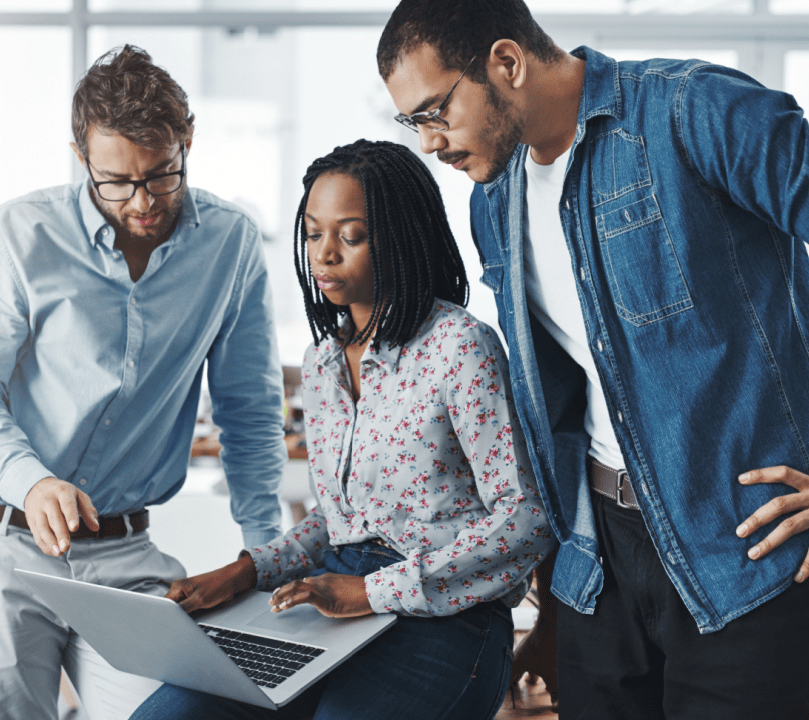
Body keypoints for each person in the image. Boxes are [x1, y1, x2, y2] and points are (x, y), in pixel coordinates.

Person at [376, 2, 809, 718]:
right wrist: (556, 613)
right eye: (414, 124)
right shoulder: (496, 201)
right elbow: (555, 404)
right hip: (601, 569)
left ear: (507, 62)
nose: (431, 143)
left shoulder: (694, 112)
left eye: (437, 110)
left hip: (746, 553)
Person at [132, 139, 555, 720]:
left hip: (447, 615)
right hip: (333, 596)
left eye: (350, 236)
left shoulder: (460, 347)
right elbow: (341, 522)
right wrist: (246, 570)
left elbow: (526, 520)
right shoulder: (323, 362)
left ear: (400, 238)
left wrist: (371, 593)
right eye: (312, 234)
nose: (324, 255)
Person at [0, 44, 287, 720]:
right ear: (79, 155)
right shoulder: (16, 234)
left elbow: (249, 408)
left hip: (126, 555)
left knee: (179, 710)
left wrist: (263, 551)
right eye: (115, 181)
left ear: (187, 140)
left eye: (162, 174)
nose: (143, 201)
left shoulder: (231, 244)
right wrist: (31, 481)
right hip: (0, 543)